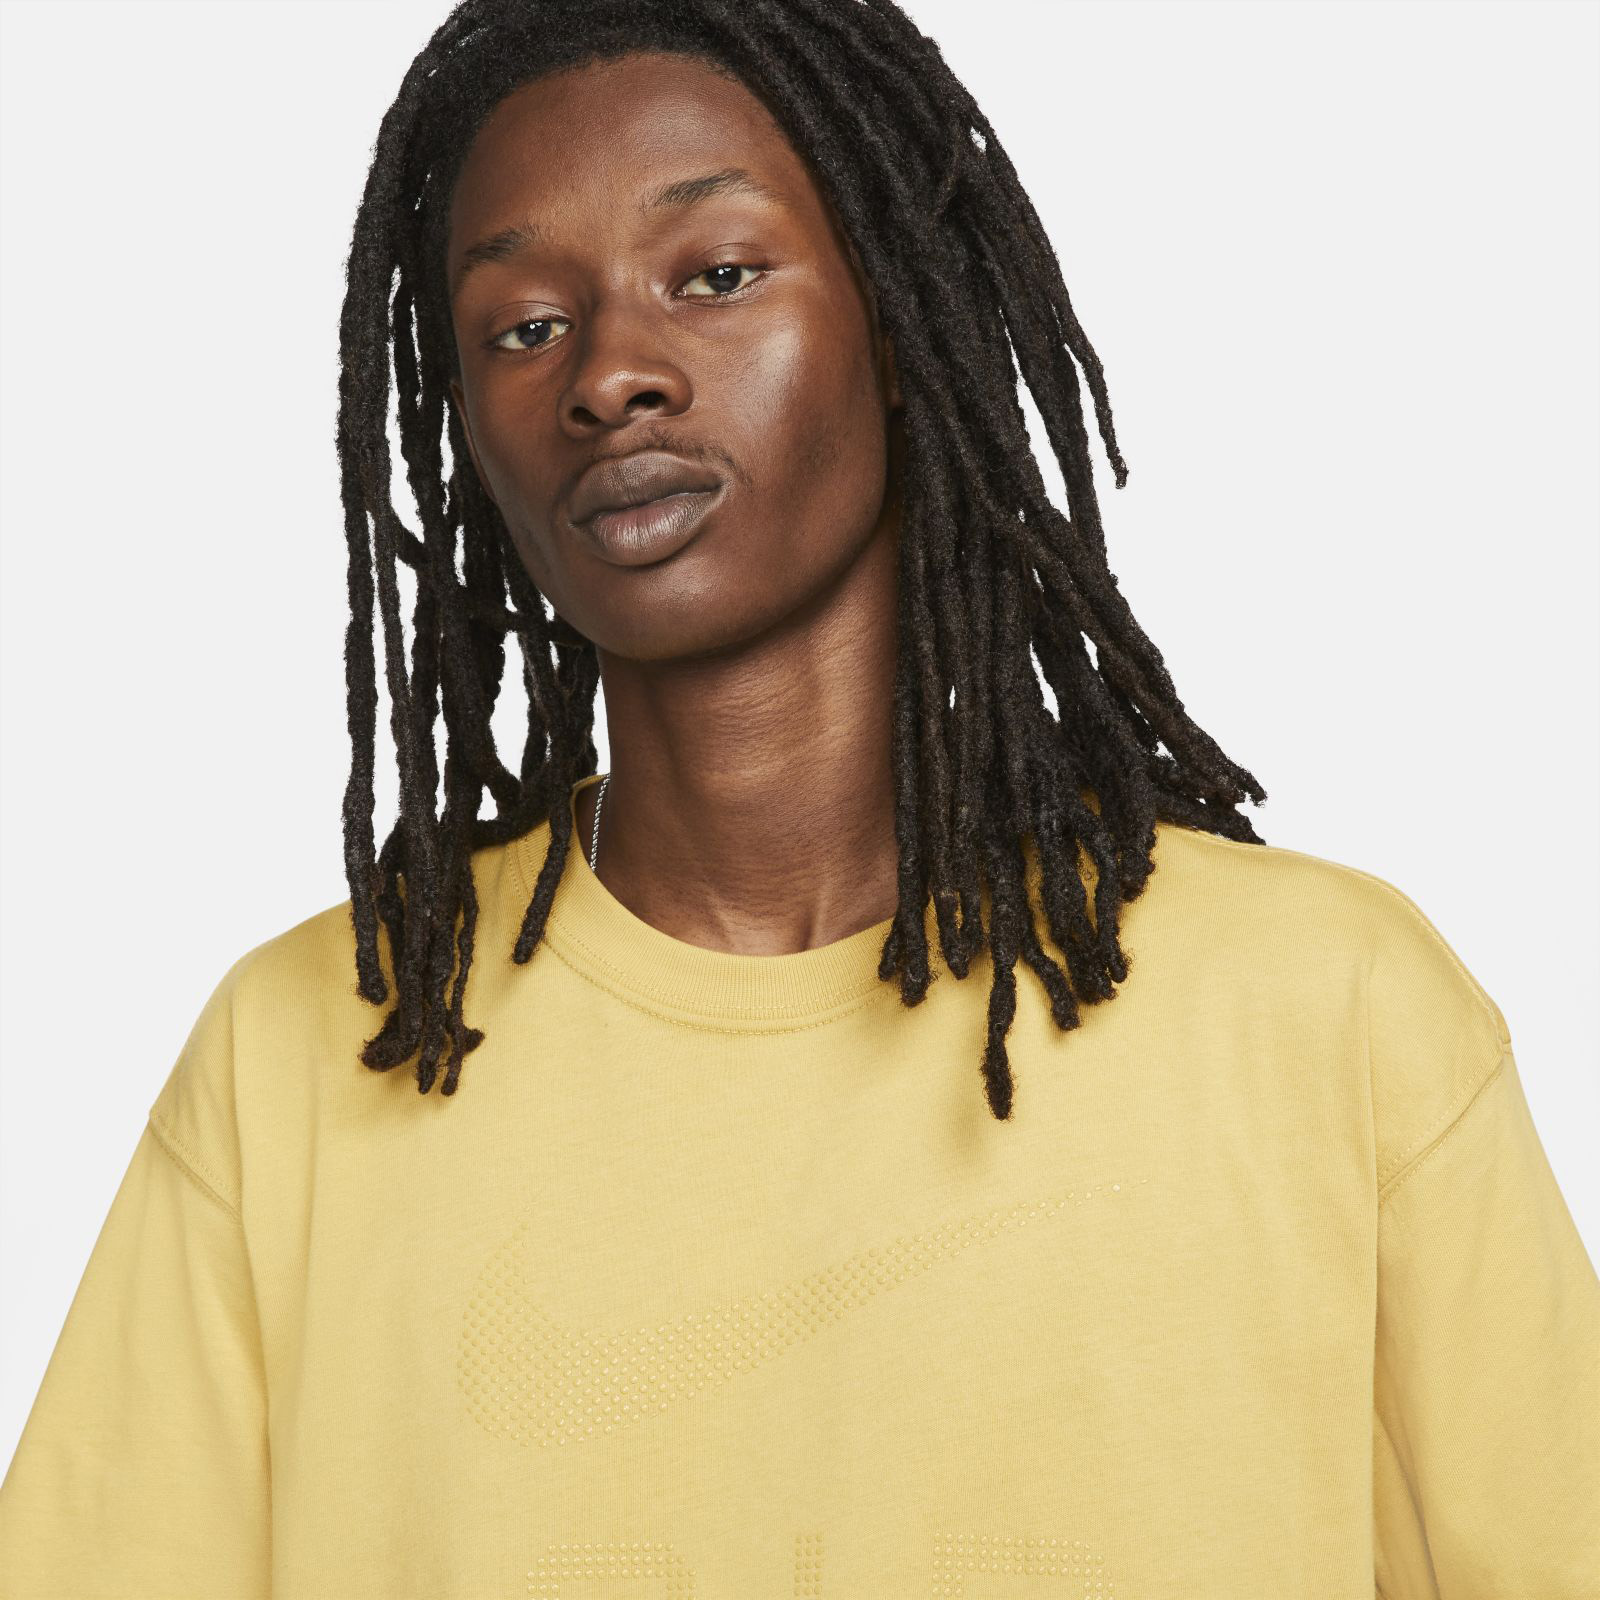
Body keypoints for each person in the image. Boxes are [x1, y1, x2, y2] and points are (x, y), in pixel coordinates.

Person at [2, 0, 1596, 1594]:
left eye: (716, 275)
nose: (612, 375)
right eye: (526, 326)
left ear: (899, 321)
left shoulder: (1332, 1017)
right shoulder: (301, 1056)